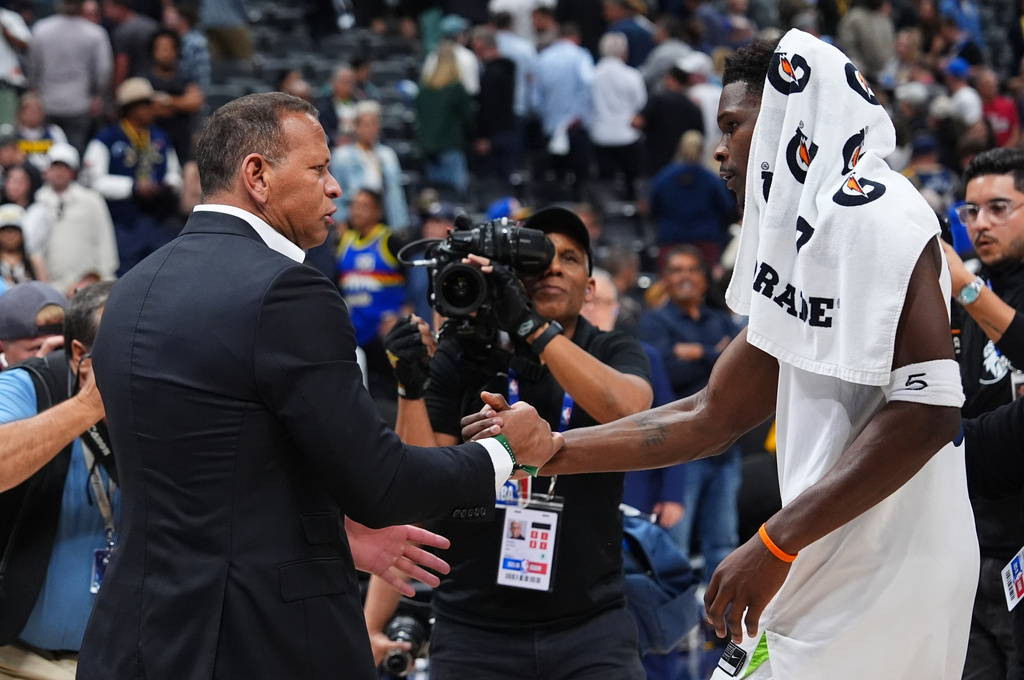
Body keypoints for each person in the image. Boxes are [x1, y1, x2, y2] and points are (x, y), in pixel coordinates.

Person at [471, 33, 978, 679]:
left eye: (734, 126)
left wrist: (774, 541)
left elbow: (929, 411)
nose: (719, 148)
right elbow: (712, 415)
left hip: (893, 561)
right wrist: (554, 453)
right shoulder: (813, 235)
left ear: (792, 122)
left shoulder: (876, 214)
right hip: (831, 552)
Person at [74, 92, 559, 680]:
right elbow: (381, 484)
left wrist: (338, 535)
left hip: (131, 636)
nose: (335, 187)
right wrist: (507, 451)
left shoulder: (129, 288)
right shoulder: (287, 291)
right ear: (257, 174)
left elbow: (212, 480)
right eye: (319, 168)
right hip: (257, 642)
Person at [365, 205, 653, 678]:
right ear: (514, 277)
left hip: (592, 626)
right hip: (474, 628)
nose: (555, 267)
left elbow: (629, 411)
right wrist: (411, 387)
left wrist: (531, 327)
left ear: (591, 286)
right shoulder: (465, 352)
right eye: (541, 258)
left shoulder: (611, 349)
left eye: (571, 257)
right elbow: (418, 485)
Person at [940, 147, 1024, 680]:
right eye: (971, 212)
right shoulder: (964, 293)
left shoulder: (968, 288)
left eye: (999, 208)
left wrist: (966, 288)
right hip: (969, 541)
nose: (981, 224)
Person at [0, 282, 111, 680]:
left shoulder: (165, 393)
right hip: (16, 657)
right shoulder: (29, 384)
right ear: (80, 353)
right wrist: (86, 406)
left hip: (119, 657)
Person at [639, 245, 741, 580]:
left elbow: (739, 374)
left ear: (703, 278)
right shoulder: (653, 322)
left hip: (727, 447)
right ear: (665, 279)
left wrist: (695, 353)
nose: (684, 277)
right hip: (682, 449)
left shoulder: (720, 319)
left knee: (724, 543)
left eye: (691, 270)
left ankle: (720, 629)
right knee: (675, 544)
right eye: (676, 270)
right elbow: (666, 374)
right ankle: (679, 629)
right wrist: (714, 354)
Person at [83, 77, 182, 276]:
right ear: (130, 108)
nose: (151, 109)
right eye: (145, 105)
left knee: (160, 275)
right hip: (120, 222)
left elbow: (175, 173)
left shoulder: (160, 137)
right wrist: (132, 187)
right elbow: (91, 181)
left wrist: (168, 184)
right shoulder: (107, 138)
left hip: (157, 220)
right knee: (126, 276)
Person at [25, 0, 112, 155]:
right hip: (79, 102)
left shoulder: (41, 29)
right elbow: (104, 71)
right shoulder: (95, 32)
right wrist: (98, 96)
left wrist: (34, 89)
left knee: (45, 153)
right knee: (75, 152)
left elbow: (32, 66)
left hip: (47, 100)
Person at [34, 143, 119, 298]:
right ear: (47, 171)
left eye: (64, 167)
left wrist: (105, 276)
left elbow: (105, 239)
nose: (59, 172)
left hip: (87, 286)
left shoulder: (92, 200)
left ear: (73, 172)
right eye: (55, 167)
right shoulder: (37, 202)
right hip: (50, 287)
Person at [329, 101, 409, 230]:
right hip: (355, 217)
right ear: (356, 127)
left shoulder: (388, 155)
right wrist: (341, 224)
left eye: (373, 123)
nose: (369, 129)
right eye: (365, 124)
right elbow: (338, 195)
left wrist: (400, 225)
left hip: (384, 216)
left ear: (378, 127)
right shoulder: (342, 156)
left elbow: (396, 193)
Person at [591, 32, 646, 201]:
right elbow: (641, 103)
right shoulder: (632, 75)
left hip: (600, 135)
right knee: (630, 179)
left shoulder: (592, 75)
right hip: (626, 135)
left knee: (605, 181)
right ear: (623, 52)